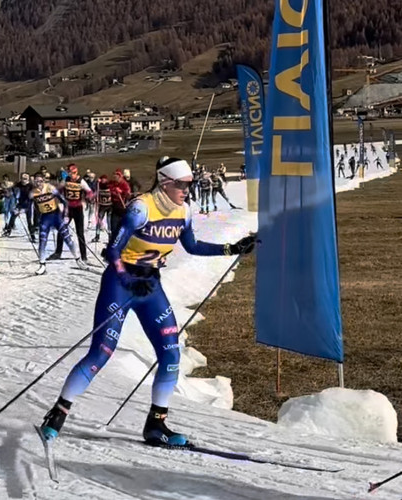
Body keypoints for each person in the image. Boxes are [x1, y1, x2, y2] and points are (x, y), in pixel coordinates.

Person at [38, 156, 256, 447]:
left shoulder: (184, 210)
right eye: (182, 185)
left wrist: (231, 248)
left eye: (189, 185)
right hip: (121, 284)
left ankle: (156, 425)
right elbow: (113, 251)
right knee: (101, 353)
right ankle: (58, 414)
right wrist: (127, 281)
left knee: (170, 354)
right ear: (166, 182)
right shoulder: (142, 207)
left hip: (150, 285)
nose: (187, 190)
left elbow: (192, 246)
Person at [30, 172, 84, 275]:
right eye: (36, 181)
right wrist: (18, 210)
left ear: (43, 181)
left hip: (56, 216)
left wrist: (66, 215)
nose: (38, 184)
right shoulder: (33, 192)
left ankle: (78, 260)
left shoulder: (50, 188)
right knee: (42, 241)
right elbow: (26, 204)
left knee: (67, 238)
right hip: (45, 218)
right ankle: (42, 265)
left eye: (40, 181)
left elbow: (64, 201)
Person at [49, 164, 94, 262]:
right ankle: (58, 252)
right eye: (69, 173)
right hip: (67, 209)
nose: (71, 175)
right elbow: (58, 190)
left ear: (76, 172)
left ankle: (84, 256)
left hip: (77, 209)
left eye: (72, 173)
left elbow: (89, 191)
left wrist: (88, 198)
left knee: (80, 233)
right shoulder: (66, 180)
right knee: (62, 230)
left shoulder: (81, 181)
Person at [6, 172, 35, 242]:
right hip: (20, 204)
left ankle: (32, 235)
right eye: (23, 178)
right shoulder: (18, 185)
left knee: (29, 221)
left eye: (26, 178)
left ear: (28, 178)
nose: (24, 179)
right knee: (13, 216)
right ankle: (8, 231)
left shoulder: (31, 186)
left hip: (28, 205)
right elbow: (10, 191)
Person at [108, 169, 130, 239]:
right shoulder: (112, 183)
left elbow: (128, 194)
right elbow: (105, 184)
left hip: (123, 208)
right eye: (114, 176)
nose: (115, 177)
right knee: (113, 228)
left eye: (117, 176)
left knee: (122, 228)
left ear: (120, 176)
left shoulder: (124, 184)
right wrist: (101, 181)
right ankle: (113, 242)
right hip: (114, 208)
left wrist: (121, 191)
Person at [92, 175, 112, 243]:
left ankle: (110, 237)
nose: (103, 180)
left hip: (109, 207)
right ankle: (97, 236)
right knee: (99, 222)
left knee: (109, 223)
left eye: (104, 179)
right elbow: (94, 188)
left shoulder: (109, 185)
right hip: (102, 206)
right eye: (102, 179)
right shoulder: (99, 185)